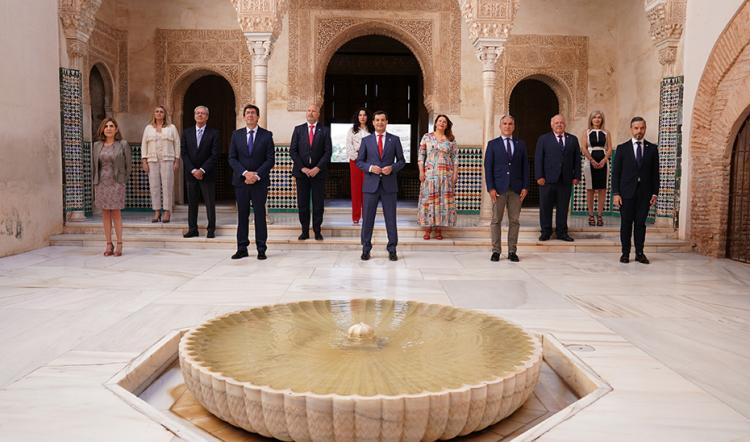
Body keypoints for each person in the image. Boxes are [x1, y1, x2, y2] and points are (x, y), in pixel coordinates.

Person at [356, 110, 406, 261]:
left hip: (389, 186)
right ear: (373, 122)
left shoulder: (395, 140)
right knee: (367, 219)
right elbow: (359, 162)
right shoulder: (366, 141)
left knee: (391, 218)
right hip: (370, 185)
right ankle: (366, 249)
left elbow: (402, 161)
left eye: (382, 120)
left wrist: (392, 168)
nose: (379, 123)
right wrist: (370, 168)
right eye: (377, 120)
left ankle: (392, 249)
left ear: (386, 122)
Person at [228, 104, 276, 260]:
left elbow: (270, 159)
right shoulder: (236, 135)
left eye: (253, 113)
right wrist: (245, 173)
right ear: (244, 116)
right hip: (241, 182)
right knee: (242, 215)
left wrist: (256, 175)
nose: (250, 115)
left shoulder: (267, 135)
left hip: (259, 182)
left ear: (258, 116)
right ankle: (242, 247)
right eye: (247, 113)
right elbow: (232, 158)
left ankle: (261, 248)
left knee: (260, 215)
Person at [613, 117, 660, 264]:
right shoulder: (622, 149)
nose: (639, 131)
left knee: (640, 224)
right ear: (631, 129)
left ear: (645, 129)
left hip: (644, 194)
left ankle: (640, 253)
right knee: (626, 224)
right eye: (636, 128)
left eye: (642, 128)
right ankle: (625, 253)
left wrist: (654, 193)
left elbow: (655, 173)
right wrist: (616, 193)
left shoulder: (652, 149)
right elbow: (616, 173)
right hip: (626, 193)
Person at [484, 115, 529, 262]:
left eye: (510, 124)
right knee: (496, 220)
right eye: (505, 123)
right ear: (500, 126)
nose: (507, 126)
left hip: (516, 189)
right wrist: (490, 188)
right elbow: (488, 167)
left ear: (514, 126)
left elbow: (525, 167)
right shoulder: (492, 144)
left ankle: (512, 251)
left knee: (514, 221)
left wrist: (525, 186)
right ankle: (496, 250)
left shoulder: (520, 144)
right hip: (498, 189)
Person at [535, 114, 581, 242]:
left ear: (565, 124)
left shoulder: (573, 139)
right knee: (545, 206)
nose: (559, 125)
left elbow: (577, 159)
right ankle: (546, 231)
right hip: (547, 180)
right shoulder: (543, 139)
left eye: (561, 122)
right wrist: (539, 176)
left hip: (566, 180)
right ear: (551, 125)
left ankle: (562, 232)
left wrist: (576, 175)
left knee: (563, 207)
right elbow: (539, 158)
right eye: (556, 123)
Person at [289, 104, 332, 240]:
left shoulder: (324, 130)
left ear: (318, 114)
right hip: (301, 173)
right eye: (308, 110)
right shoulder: (298, 130)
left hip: (318, 173)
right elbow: (293, 151)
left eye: (314, 111)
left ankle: (317, 230)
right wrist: (303, 168)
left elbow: (328, 152)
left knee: (318, 204)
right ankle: (304, 230)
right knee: (303, 203)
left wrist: (317, 168)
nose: (311, 113)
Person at [92, 118, 131, 257]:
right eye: (106, 126)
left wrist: (122, 181)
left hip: (116, 183)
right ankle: (109, 243)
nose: (108, 128)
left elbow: (128, 165)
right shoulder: (97, 145)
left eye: (111, 126)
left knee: (116, 213)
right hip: (101, 182)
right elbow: (95, 166)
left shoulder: (122, 144)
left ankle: (119, 243)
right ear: (103, 129)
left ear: (116, 129)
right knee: (105, 213)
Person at [181, 105, 220, 238]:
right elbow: (184, 153)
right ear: (194, 115)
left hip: (207, 173)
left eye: (203, 113)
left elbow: (215, 154)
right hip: (191, 174)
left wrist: (202, 170)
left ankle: (211, 229)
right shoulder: (186, 132)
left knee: (209, 202)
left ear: (207, 117)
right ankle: (193, 229)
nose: (200, 115)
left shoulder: (214, 133)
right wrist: (193, 170)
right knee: (192, 203)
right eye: (197, 113)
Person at [417, 114, 459, 240]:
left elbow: (455, 158)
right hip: (430, 174)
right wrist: (421, 172)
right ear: (435, 123)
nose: (442, 123)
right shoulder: (427, 137)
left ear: (447, 125)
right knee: (428, 200)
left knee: (442, 201)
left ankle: (439, 229)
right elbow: (421, 155)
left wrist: (455, 174)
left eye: (444, 122)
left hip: (445, 175)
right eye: (440, 121)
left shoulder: (450, 139)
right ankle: (428, 228)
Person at [140, 105, 180, 223]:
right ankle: (157, 211)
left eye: (161, 112)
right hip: (152, 160)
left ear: (165, 114)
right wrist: (144, 161)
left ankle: (167, 211)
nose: (158, 113)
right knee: (154, 186)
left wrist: (177, 160)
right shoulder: (148, 128)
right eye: (156, 111)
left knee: (167, 185)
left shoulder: (171, 128)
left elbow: (177, 144)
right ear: (154, 114)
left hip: (168, 159)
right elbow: (144, 145)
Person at [581, 110, 612, 226]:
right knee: (590, 189)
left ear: (602, 119)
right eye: (594, 117)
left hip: (604, 162)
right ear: (591, 119)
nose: (597, 119)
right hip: (590, 162)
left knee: (602, 189)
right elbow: (583, 148)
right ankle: (590, 215)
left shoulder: (606, 132)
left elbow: (609, 148)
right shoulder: (587, 132)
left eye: (599, 117)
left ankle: (599, 215)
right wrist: (592, 160)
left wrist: (604, 160)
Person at [345, 108, 373, 225]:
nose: (362, 117)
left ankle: (367, 217)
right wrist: (358, 157)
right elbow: (349, 146)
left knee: (367, 190)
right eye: (360, 115)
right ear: (357, 117)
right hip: (355, 161)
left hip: (369, 163)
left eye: (365, 115)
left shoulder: (372, 130)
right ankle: (356, 217)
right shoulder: (352, 131)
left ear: (367, 117)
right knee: (356, 189)